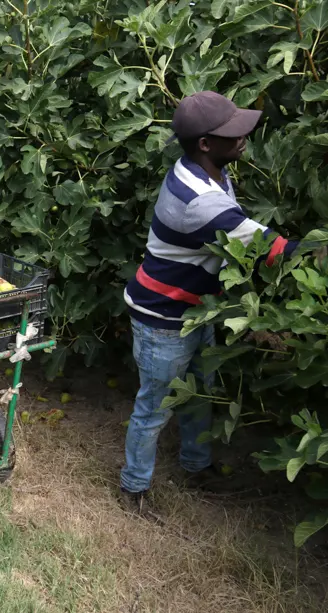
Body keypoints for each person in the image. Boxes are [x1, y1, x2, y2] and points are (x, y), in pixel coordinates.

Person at [119, 91, 298, 517]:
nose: (243, 138)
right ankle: (134, 488)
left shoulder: (206, 172)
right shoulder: (199, 200)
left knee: (202, 393)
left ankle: (195, 466)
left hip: (198, 308)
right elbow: (277, 251)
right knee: (155, 404)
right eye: (232, 133)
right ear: (205, 143)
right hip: (163, 317)